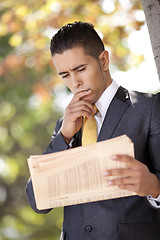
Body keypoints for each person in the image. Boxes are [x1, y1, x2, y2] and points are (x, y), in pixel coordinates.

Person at [26, 21, 160, 240]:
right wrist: (64, 137)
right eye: (65, 75)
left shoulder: (149, 108)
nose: (75, 82)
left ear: (104, 60)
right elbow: (37, 201)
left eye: (80, 69)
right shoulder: (65, 125)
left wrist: (154, 187)